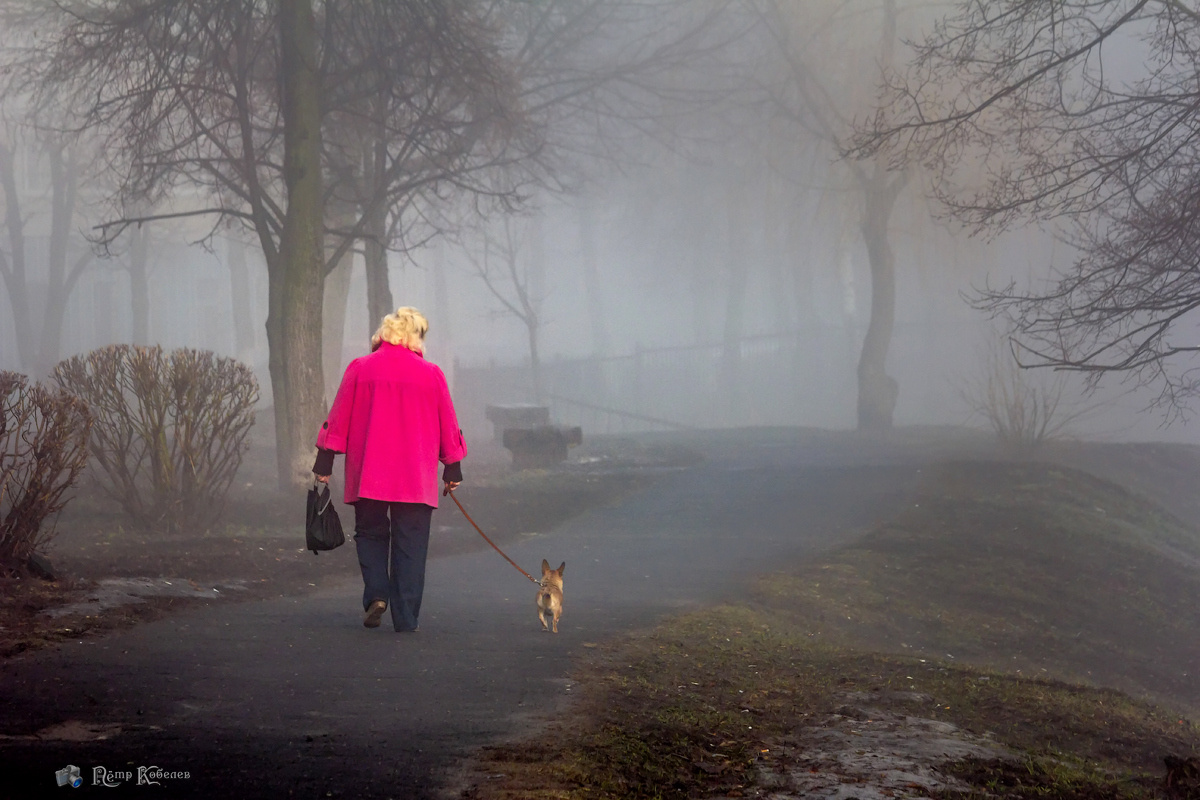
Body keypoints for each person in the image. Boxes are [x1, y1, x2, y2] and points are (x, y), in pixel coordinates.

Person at [312, 306, 467, 632]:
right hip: (414, 475)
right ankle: (406, 617)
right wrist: (452, 468)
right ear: (414, 336)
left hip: (370, 470)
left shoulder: (360, 368)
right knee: (411, 543)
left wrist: (325, 461)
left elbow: (339, 417)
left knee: (370, 532)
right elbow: (447, 423)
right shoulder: (431, 374)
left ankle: (377, 594)